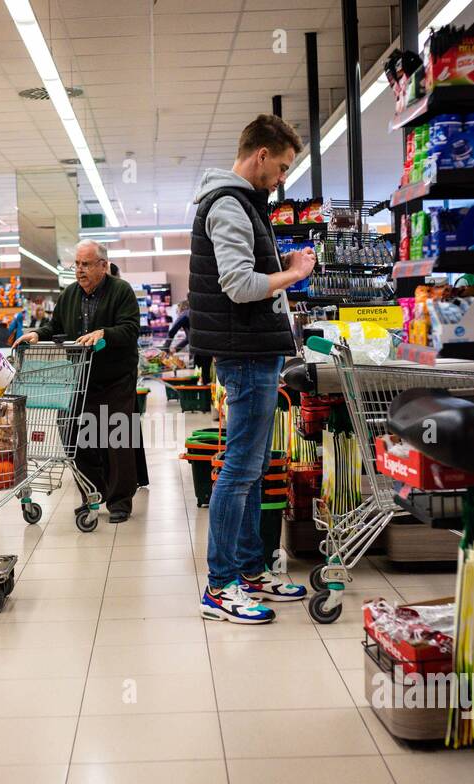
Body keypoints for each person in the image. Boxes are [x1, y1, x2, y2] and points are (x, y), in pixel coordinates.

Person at [189, 113, 316, 624]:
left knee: (252, 467)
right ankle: (219, 587)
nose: (283, 177)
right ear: (260, 155)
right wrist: (294, 273)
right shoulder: (229, 205)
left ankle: (248, 570)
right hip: (245, 357)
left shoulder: (244, 204)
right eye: (282, 166)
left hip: (253, 352)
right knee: (239, 470)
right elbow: (239, 285)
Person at [18, 240, 142, 522]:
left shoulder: (121, 291)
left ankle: (120, 501)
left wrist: (104, 333)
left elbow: (130, 328)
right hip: (79, 378)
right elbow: (56, 327)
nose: (80, 270)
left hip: (115, 378)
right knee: (75, 436)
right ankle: (92, 495)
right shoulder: (70, 294)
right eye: (76, 264)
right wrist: (38, 334)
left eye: (86, 264)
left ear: (103, 266)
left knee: (117, 438)